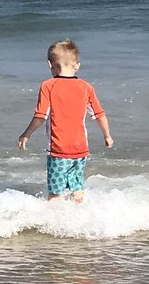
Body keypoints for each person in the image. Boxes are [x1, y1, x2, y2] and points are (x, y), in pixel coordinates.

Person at [18, 39, 113, 202]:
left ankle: (55, 225)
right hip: (80, 149)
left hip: (58, 150)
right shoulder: (86, 87)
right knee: (77, 190)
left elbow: (41, 116)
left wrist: (26, 134)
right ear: (77, 65)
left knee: (55, 193)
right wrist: (107, 135)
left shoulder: (48, 85)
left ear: (50, 65)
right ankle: (78, 221)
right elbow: (99, 115)